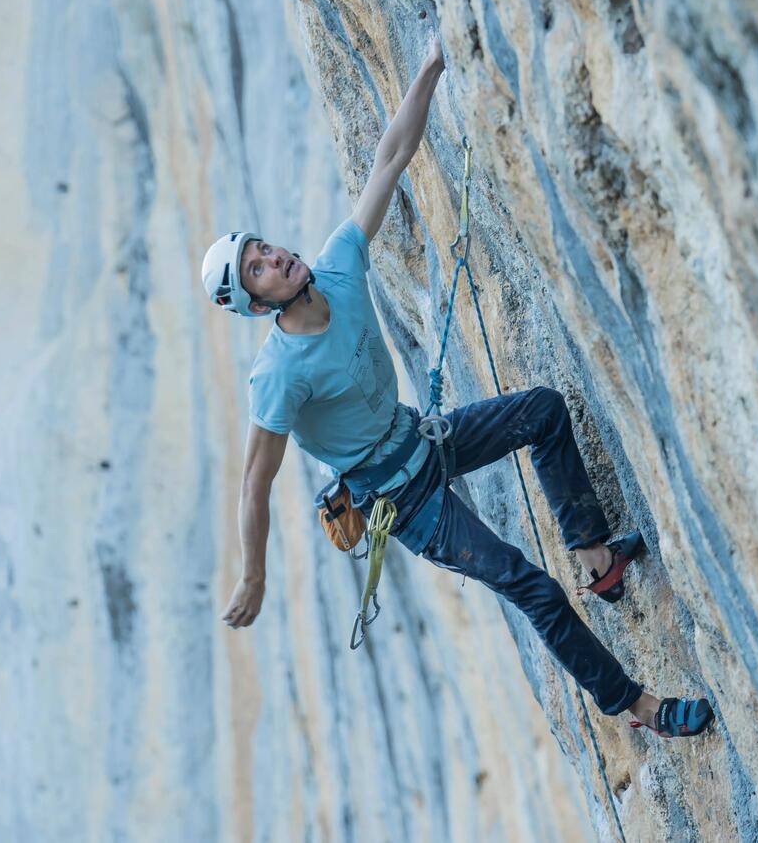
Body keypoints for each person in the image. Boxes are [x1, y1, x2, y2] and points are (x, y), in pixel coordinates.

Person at [204, 36, 713, 739]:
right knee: (528, 585)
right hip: (406, 504)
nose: (274, 257)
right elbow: (253, 485)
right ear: (256, 305)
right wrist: (253, 575)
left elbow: (391, 156)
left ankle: (597, 559)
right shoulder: (279, 376)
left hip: (425, 439)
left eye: (264, 248)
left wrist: (433, 64)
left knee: (543, 411)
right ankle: (638, 708)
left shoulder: (338, 264)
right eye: (258, 269)